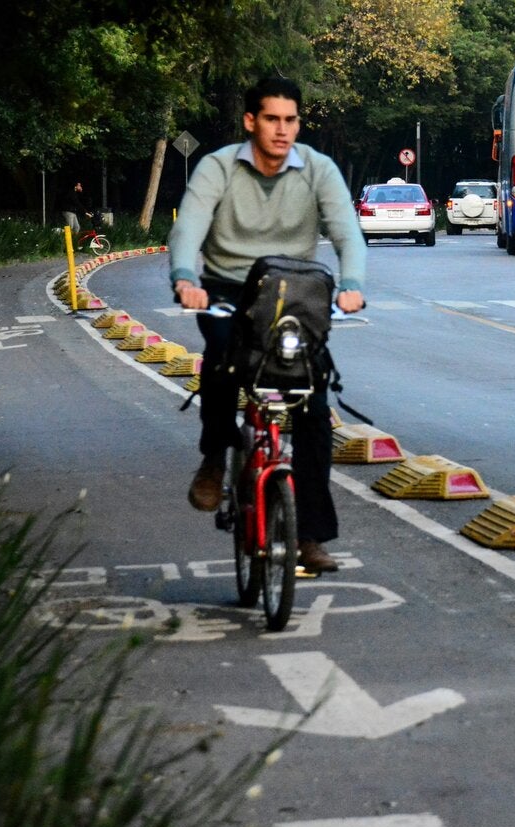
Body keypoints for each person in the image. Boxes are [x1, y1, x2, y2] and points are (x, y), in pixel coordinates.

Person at [168, 75, 366, 575]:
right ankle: (216, 455)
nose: (282, 130)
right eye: (272, 119)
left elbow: (347, 231)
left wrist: (352, 283)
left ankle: (312, 536)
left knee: (314, 408)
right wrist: (185, 276)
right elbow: (189, 224)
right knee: (221, 363)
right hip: (226, 290)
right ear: (251, 121)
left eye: (291, 120)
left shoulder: (317, 169)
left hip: (294, 291)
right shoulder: (219, 167)